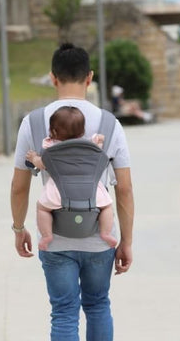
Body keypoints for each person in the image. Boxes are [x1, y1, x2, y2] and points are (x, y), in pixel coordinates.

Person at [10, 43, 134, 341]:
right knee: (98, 305)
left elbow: (20, 186)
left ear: (53, 78)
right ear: (89, 78)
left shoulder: (34, 122)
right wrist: (126, 240)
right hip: (99, 236)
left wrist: (19, 228)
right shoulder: (109, 123)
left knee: (63, 313)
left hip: (55, 238)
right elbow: (124, 188)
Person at [25, 105, 117, 251]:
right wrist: (99, 140)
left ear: (53, 131)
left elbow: (42, 164)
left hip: (58, 190)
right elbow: (98, 149)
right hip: (91, 190)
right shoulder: (89, 144)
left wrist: (33, 158)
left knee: (42, 208)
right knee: (106, 207)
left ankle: (47, 236)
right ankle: (106, 233)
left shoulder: (50, 145)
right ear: (82, 131)